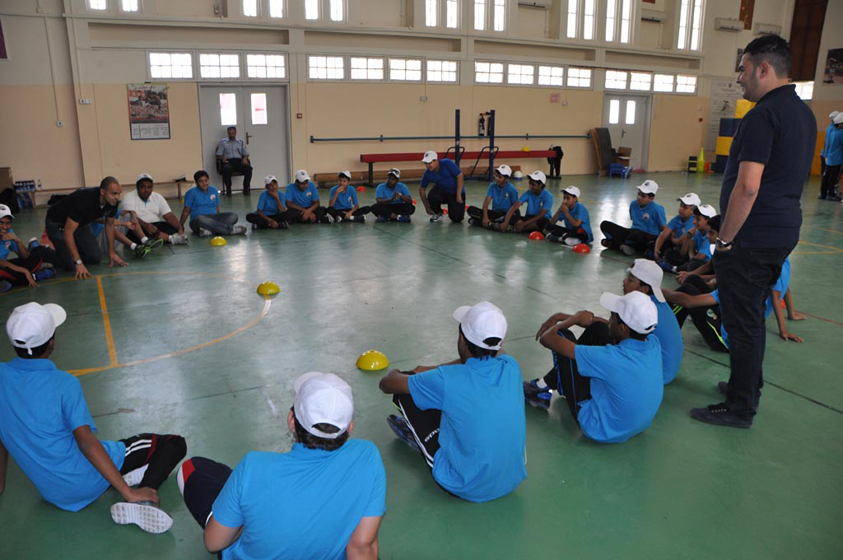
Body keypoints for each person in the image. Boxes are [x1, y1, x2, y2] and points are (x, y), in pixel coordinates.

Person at [694, 34, 817, 428]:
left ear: (764, 69)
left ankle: (740, 407)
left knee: (741, 324)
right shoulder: (803, 113)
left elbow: (748, 187)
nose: (739, 78)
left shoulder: (763, 116)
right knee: (752, 318)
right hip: (782, 231)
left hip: (752, 236)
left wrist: (725, 240)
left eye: (743, 69)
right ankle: (746, 386)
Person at [0, 302, 186, 533]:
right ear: (52, 341)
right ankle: (141, 498)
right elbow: (86, 442)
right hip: (87, 480)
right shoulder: (64, 384)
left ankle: (127, 476)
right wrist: (128, 493)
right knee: (173, 443)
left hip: (53, 493)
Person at [177, 372, 385, 559]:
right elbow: (362, 546)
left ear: (291, 420)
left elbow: (213, 543)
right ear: (349, 428)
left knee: (194, 468)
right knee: (229, 478)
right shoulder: (368, 456)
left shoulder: (254, 468)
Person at [378, 302, 526, 503]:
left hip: (466, 485)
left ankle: (419, 436)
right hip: (510, 478)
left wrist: (405, 372)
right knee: (453, 400)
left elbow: (387, 384)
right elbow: (488, 357)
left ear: (462, 339)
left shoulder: (448, 380)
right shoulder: (511, 366)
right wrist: (434, 369)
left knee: (405, 392)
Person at [524, 291, 663, 443]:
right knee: (599, 329)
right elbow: (609, 327)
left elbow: (547, 338)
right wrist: (569, 317)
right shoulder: (653, 343)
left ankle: (543, 389)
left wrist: (572, 319)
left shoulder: (611, 357)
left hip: (599, 428)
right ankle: (544, 385)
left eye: (612, 317)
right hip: (636, 424)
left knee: (562, 335)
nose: (609, 320)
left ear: (623, 327)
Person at [664, 257, 802, 358]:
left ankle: (669, 334)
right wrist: (791, 314)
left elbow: (689, 301)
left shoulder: (736, 285)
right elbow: (785, 289)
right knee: (693, 280)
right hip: (730, 322)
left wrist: (658, 290)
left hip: (723, 341)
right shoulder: (779, 266)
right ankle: (674, 326)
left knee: (687, 290)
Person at [45, 177, 129, 279]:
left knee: (95, 258)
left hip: (80, 223)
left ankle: (70, 253)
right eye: (114, 194)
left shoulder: (112, 202)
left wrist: (112, 252)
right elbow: (68, 233)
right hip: (57, 222)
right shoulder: (84, 201)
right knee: (71, 265)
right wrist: (78, 263)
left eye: (119, 194)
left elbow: (109, 225)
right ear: (102, 192)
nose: (117, 197)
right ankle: (41, 251)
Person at [0, 204, 59, 292]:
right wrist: (25, 271)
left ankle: (8, 281)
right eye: (1, 223)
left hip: (5, 266)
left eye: (8, 223)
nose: (5, 227)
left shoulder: (9, 233)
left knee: (35, 258)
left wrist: (18, 241)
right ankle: (36, 276)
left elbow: (25, 256)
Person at [599, 180, 667, 256]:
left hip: (647, 236)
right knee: (605, 224)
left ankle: (615, 244)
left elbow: (664, 229)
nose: (639, 197)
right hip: (633, 233)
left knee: (638, 236)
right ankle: (621, 246)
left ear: (651, 198)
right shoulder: (633, 204)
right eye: (638, 194)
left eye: (643, 196)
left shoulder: (657, 209)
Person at [120, 173, 189, 245]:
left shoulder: (157, 196)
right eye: (142, 187)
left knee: (177, 226)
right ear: (137, 187)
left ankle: (158, 239)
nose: (146, 190)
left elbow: (168, 215)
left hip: (155, 226)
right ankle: (169, 238)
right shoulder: (128, 197)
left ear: (152, 187)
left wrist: (180, 228)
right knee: (136, 232)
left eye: (149, 187)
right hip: (139, 227)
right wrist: (146, 226)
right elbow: (129, 216)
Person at [179, 170, 247, 237]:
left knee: (233, 216)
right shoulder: (191, 193)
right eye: (201, 181)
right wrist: (180, 226)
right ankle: (230, 230)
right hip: (198, 220)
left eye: (206, 180)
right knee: (201, 219)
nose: (204, 183)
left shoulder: (213, 190)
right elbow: (186, 211)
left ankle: (209, 230)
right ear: (196, 183)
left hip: (213, 218)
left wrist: (217, 218)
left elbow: (216, 207)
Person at [658, 204, 715, 273]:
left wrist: (690, 249)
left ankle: (676, 269)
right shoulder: (698, 232)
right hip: (693, 258)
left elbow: (697, 259)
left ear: (708, 221)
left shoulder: (710, 237)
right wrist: (688, 238)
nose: (694, 222)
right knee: (671, 252)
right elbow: (682, 253)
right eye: (694, 218)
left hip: (704, 264)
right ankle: (678, 267)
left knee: (693, 264)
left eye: (698, 219)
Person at [466, 165, 519, 229]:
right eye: (496, 176)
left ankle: (482, 222)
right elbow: (486, 202)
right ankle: (492, 224)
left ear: (506, 179)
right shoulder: (492, 186)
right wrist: (485, 217)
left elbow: (515, 207)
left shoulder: (511, 189)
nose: (497, 178)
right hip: (494, 213)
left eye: (500, 177)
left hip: (505, 215)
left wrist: (514, 220)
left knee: (506, 218)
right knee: (471, 209)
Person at [419, 150, 465, 223]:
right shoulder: (427, 173)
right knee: (432, 195)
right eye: (426, 163)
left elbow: (460, 176)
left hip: (455, 192)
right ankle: (438, 213)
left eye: (429, 163)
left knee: (457, 219)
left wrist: (458, 195)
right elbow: (422, 189)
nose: (427, 166)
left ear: (436, 160)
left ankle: (454, 206)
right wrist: (427, 207)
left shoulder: (447, 163)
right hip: (442, 192)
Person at [653, 192, 700, 263]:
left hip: (686, 249)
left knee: (672, 252)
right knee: (656, 244)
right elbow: (663, 235)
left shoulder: (693, 221)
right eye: (681, 205)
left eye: (685, 207)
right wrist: (656, 250)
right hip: (675, 246)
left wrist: (673, 239)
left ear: (693, 211)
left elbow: (682, 241)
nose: (681, 209)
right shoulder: (677, 219)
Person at [216, 126, 253, 196]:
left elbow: (246, 154)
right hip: (228, 161)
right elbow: (218, 154)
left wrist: (245, 159)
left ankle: (246, 187)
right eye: (229, 133)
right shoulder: (223, 142)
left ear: (235, 133)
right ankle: (228, 189)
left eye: (232, 133)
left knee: (248, 169)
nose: (231, 135)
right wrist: (222, 158)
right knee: (226, 169)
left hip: (239, 161)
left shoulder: (240, 142)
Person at [820, 113, 843, 201]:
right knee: (833, 178)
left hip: (829, 158)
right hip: (836, 159)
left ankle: (823, 193)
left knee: (827, 176)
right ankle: (831, 194)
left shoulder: (832, 131)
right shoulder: (841, 133)